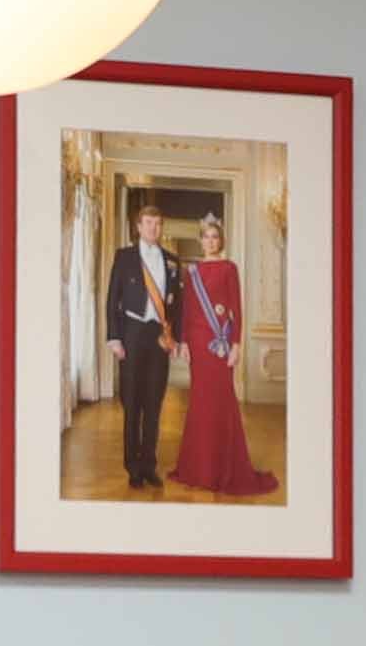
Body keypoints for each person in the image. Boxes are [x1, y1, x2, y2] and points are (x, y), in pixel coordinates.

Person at [166, 211, 266, 501]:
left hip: (220, 346)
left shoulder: (229, 268)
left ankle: (223, 467)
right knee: (199, 403)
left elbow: (236, 307)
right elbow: (186, 311)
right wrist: (183, 341)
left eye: (215, 237)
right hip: (198, 344)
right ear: (200, 241)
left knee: (222, 403)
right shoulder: (192, 272)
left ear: (220, 240)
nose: (210, 242)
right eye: (206, 237)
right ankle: (198, 468)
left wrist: (236, 344)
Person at [99, 215, 173, 493]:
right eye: (149, 223)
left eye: (158, 223)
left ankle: (149, 466)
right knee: (132, 405)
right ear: (139, 227)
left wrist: (174, 337)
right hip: (130, 334)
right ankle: (133, 468)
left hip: (158, 338)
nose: (154, 227)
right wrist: (114, 338)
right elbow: (112, 298)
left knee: (154, 404)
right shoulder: (124, 256)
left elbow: (177, 302)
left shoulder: (171, 260)